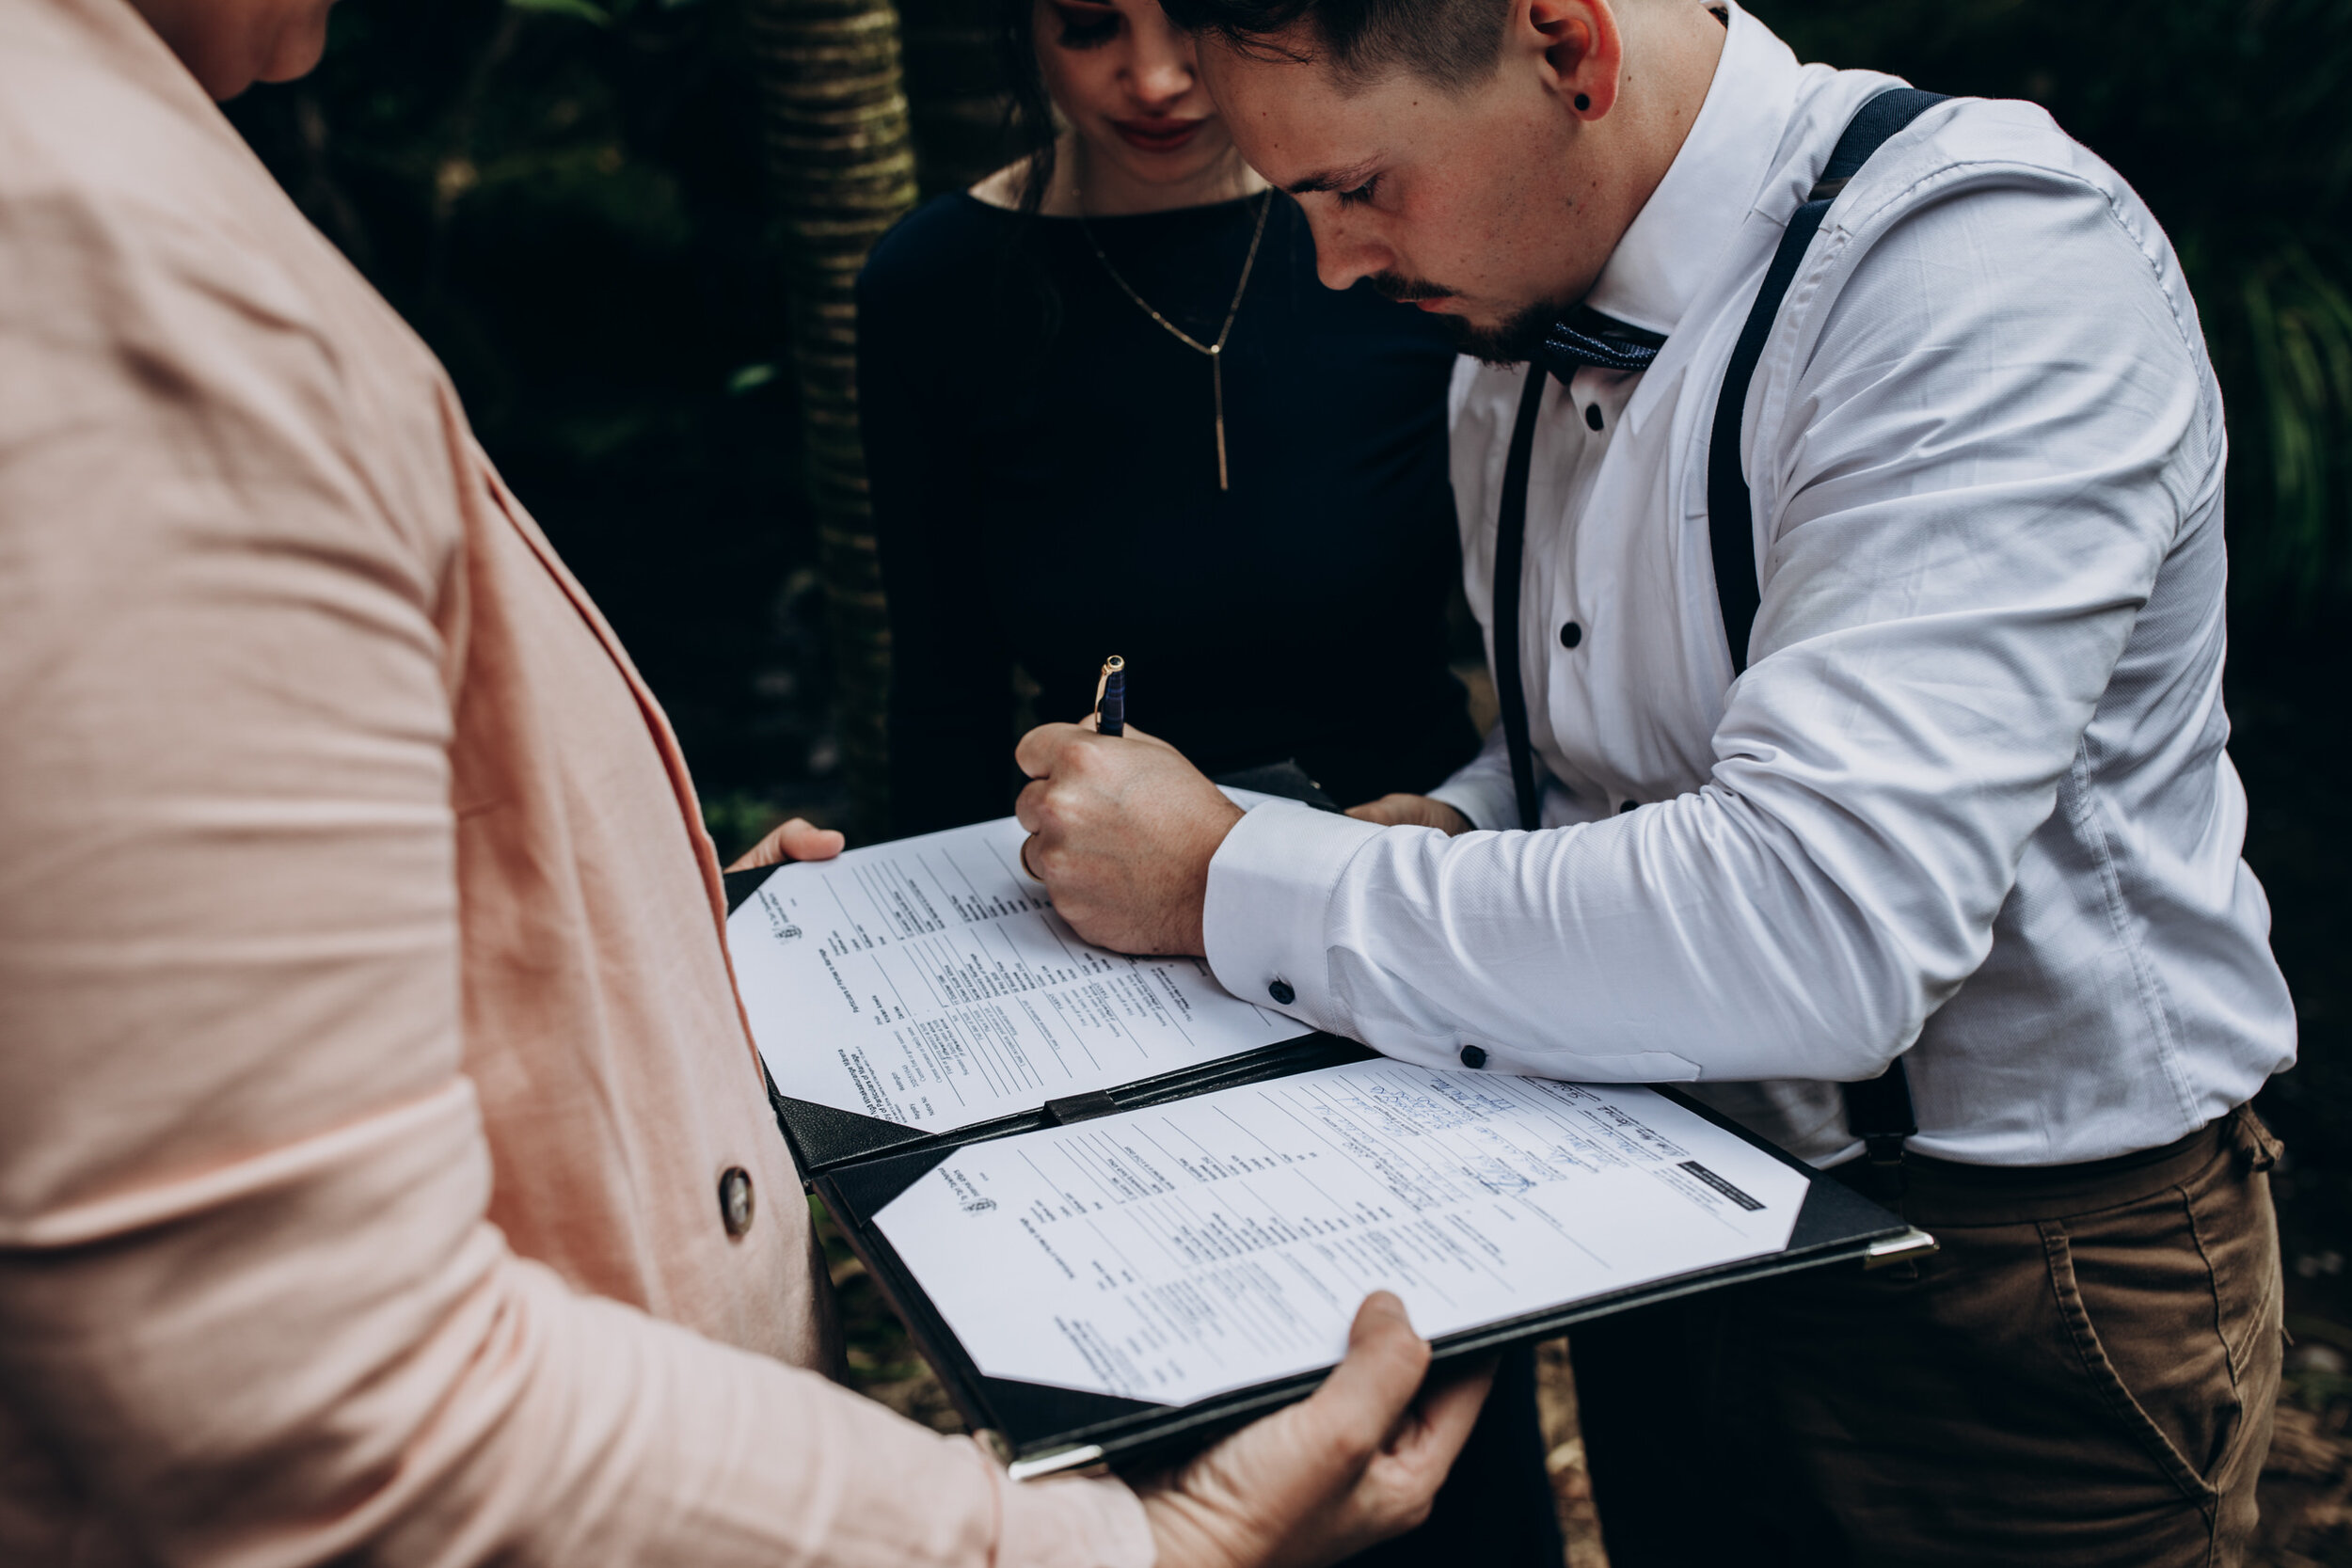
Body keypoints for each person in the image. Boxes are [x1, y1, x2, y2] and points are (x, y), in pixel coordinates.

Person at [0, 0, 1499, 1560]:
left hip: (1399, 1007)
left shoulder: (125, 178)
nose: (1155, 75)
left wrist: (683, 948)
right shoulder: (82, 249)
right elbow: (302, 1375)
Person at [1009, 0, 2298, 1562]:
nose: (1337, 267)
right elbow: (1592, 764)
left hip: (2005, 1295)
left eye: (1353, 189)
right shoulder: (1516, 309)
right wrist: (1463, 822)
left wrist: (1227, 879)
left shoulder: (1978, 266)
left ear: (1568, 51)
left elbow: (1825, 924)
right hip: (1658, 1227)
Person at [859, 0, 1480, 835]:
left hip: (1419, 852)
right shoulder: (934, 285)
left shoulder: (1400, 216)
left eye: (1195, 15)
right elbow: (944, 693)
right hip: (1095, 890)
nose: (1155, 80)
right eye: (1088, 25)